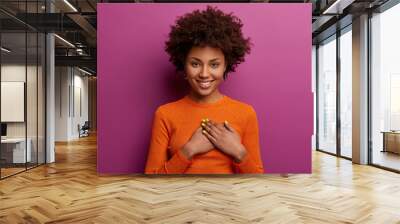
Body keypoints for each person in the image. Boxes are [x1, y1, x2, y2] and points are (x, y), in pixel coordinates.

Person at [145, 6, 264, 174]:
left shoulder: (246, 113)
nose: (204, 74)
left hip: (229, 200)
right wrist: (189, 150)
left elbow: (258, 181)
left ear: (226, 66)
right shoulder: (165, 114)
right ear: (183, 64)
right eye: (195, 64)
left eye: (214, 64)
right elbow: (151, 179)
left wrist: (239, 152)